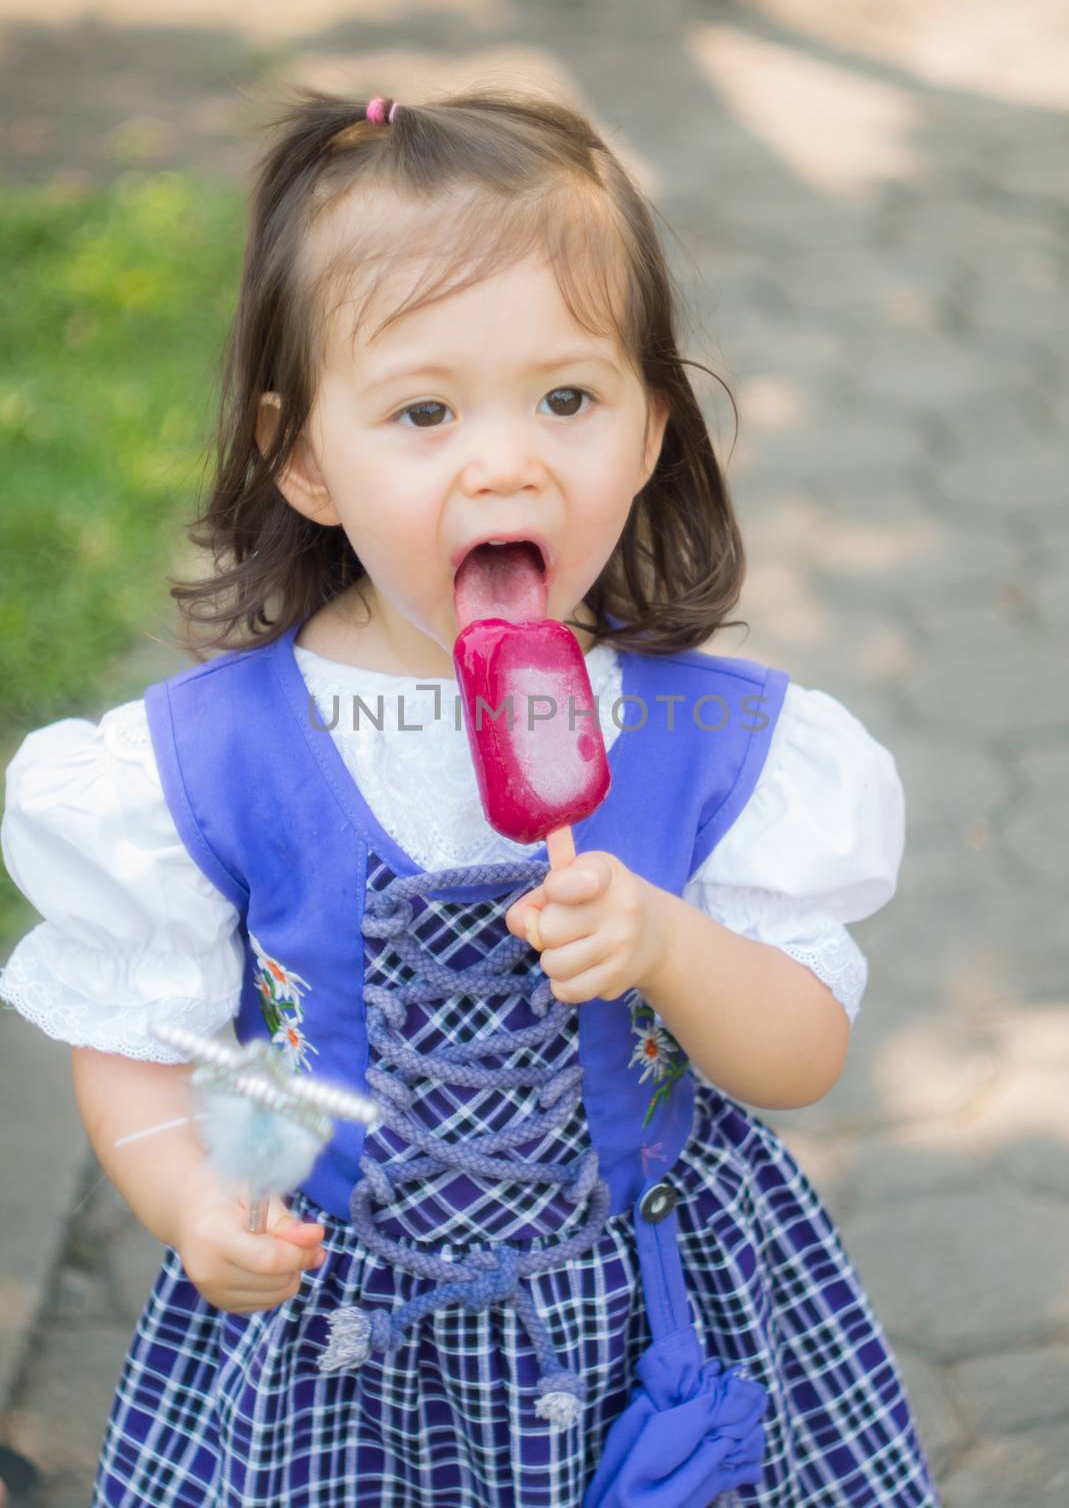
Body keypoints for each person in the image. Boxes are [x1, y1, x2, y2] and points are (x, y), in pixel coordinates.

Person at [0, 88, 941, 1507]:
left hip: (651, 1317)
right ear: (306, 456)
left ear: (647, 429)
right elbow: (144, 1040)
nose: (505, 461)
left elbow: (798, 1057)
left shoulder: (722, 743)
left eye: (567, 398)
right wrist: (191, 1199)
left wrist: (674, 950)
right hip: (340, 1352)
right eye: (423, 411)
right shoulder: (201, 764)